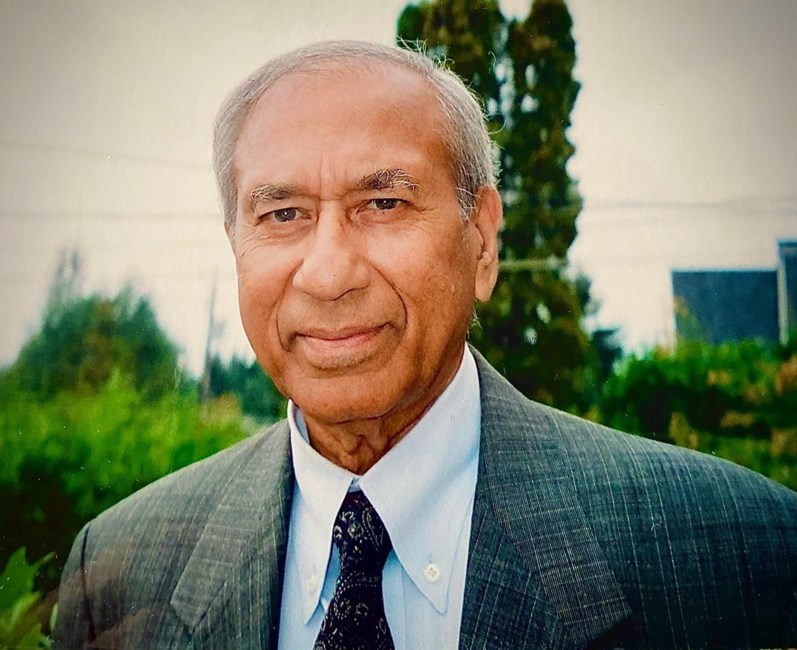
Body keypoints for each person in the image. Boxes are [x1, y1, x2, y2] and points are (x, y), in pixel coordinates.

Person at [54, 40, 796, 650]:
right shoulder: (116, 574)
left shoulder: (741, 554)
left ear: (483, 242)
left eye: (383, 203)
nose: (328, 274)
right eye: (282, 214)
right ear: (234, 244)